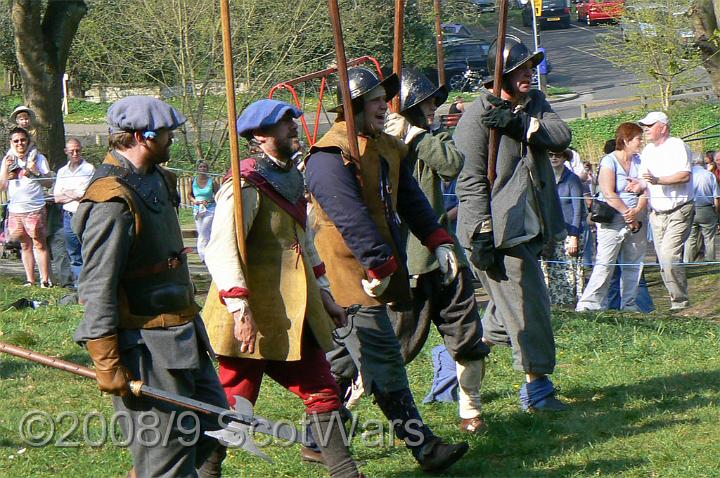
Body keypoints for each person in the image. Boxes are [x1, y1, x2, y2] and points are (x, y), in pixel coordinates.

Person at [305, 66, 469, 472]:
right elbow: (351, 219)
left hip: (374, 272)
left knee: (341, 364)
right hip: (348, 277)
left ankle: (314, 440)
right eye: (375, 100)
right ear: (354, 106)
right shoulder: (329, 156)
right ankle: (424, 446)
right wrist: (380, 265)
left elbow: (411, 199)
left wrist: (437, 238)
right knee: (384, 363)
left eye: (384, 98)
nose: (384, 106)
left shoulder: (385, 146)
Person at [201, 99, 361, 478]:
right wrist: (240, 310)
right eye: (284, 122)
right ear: (260, 136)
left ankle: (346, 474)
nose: (293, 127)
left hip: (292, 314)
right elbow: (220, 248)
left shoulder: (291, 177)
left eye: (292, 119)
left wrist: (324, 294)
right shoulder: (244, 185)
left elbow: (303, 243)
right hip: (250, 316)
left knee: (323, 392)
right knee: (232, 404)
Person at [73, 96, 227, 478]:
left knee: (216, 425)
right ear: (144, 136)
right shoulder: (112, 200)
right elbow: (97, 285)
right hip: (146, 349)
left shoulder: (156, 178)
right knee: (166, 458)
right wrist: (107, 360)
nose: (173, 140)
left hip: (184, 335)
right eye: (168, 134)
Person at [453, 35, 571, 412]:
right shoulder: (476, 118)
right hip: (498, 233)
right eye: (520, 69)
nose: (529, 75)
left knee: (505, 314)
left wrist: (521, 125)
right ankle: (537, 392)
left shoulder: (532, 105)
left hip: (531, 227)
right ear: (499, 75)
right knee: (528, 306)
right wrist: (481, 232)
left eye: (530, 67)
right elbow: (469, 181)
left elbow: (561, 137)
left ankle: (459, 357)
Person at [384, 68, 491, 433]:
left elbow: (451, 164)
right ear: (410, 103)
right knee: (393, 350)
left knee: (467, 336)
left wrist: (413, 135)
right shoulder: (380, 144)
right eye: (427, 102)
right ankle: (341, 415)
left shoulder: (431, 137)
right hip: (405, 262)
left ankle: (470, 411)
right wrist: (393, 138)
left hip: (444, 257)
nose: (434, 108)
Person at [575, 122, 648, 312]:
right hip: (613, 219)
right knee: (605, 262)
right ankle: (589, 304)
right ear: (625, 140)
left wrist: (637, 212)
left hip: (637, 219)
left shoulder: (641, 161)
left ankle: (629, 303)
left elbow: (647, 189)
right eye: (638, 138)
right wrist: (627, 214)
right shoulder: (609, 161)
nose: (641, 141)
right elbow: (608, 192)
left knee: (634, 264)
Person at [627, 111, 694, 310]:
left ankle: (680, 303)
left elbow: (685, 176)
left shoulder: (677, 146)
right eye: (644, 126)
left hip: (679, 210)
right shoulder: (647, 151)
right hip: (656, 213)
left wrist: (659, 181)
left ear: (663, 127)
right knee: (663, 261)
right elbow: (644, 181)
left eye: (650, 125)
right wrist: (637, 186)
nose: (645, 129)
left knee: (668, 256)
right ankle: (676, 300)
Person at [0, 127, 53, 287]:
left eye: (22, 140)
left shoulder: (39, 158)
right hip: (16, 209)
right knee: (24, 245)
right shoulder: (7, 160)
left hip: (35, 208)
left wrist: (35, 173)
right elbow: (2, 187)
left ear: (28, 141)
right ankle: (30, 280)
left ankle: (45, 280)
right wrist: (6, 173)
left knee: (39, 243)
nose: (19, 143)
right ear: (11, 143)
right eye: (16, 141)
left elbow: (49, 182)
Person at [542, 151, 585, 306]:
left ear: (564, 157)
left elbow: (578, 210)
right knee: (551, 270)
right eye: (550, 155)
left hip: (569, 233)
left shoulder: (572, 179)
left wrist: (574, 236)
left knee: (571, 269)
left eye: (558, 155)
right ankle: (553, 304)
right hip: (550, 233)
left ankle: (572, 304)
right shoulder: (545, 179)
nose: (554, 158)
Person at [53, 138, 94, 285]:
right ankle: (79, 284)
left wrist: (68, 192)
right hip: (67, 215)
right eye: (72, 151)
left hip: (83, 214)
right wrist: (74, 193)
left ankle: (90, 283)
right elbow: (57, 197)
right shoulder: (62, 171)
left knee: (87, 249)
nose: (75, 153)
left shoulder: (89, 169)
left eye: (78, 150)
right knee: (73, 252)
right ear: (66, 152)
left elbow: (83, 194)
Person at [683, 153, 720, 262]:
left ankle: (688, 262)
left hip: (691, 208)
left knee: (690, 238)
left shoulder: (688, 175)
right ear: (703, 162)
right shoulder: (709, 175)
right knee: (709, 238)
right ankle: (710, 262)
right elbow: (716, 197)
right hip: (707, 209)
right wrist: (717, 214)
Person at [188, 160, 218, 263]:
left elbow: (218, 195)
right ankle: (207, 254)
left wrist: (208, 201)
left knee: (204, 232)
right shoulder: (192, 180)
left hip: (210, 209)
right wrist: (195, 201)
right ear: (198, 169)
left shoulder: (212, 181)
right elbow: (189, 195)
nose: (202, 169)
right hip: (197, 210)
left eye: (204, 167)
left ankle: (204, 257)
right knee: (202, 232)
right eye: (201, 167)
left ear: (207, 169)